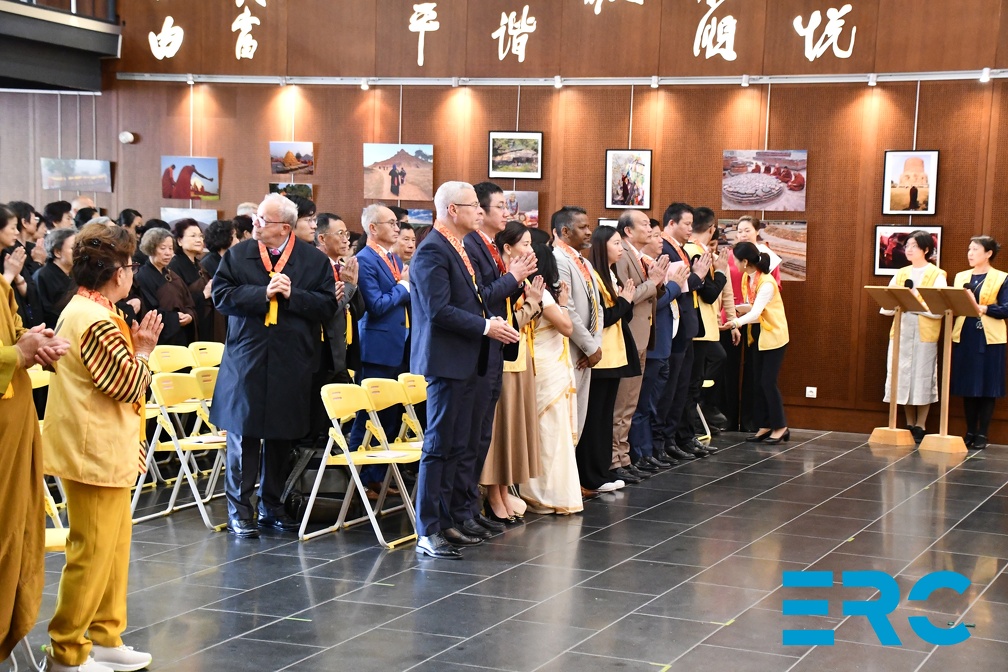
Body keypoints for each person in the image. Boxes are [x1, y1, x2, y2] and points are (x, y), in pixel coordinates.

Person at [42, 222, 161, 672]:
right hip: (93, 450)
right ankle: (67, 652)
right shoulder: (94, 319)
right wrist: (144, 350)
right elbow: (128, 384)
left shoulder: (91, 309)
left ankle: (105, 636)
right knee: (91, 554)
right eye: (130, 266)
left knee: (111, 549)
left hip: (102, 445)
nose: (132, 273)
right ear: (116, 274)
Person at [210, 193, 337, 538]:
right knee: (244, 436)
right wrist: (261, 293)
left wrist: (294, 294)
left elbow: (327, 306)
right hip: (246, 357)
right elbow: (220, 297)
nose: (255, 224)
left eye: (263, 220)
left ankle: (272, 506)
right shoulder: (239, 255)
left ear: (284, 227)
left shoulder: (313, 260)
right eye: (256, 218)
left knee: (282, 436)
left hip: (291, 358)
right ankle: (239, 511)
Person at [410, 181, 520, 559]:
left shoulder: (457, 246)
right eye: (473, 205)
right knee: (439, 446)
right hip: (446, 360)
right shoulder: (433, 250)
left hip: (467, 357)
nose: (480, 211)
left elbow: (471, 300)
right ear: (452, 210)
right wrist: (486, 326)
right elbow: (438, 310)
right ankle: (427, 530)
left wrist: (489, 322)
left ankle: (451, 518)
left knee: (460, 444)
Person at [0, 205, 69, 665]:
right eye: (10, 226)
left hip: (14, 416)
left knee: (17, 524)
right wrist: (18, 353)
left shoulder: (2, 288)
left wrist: (33, 342)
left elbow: (12, 335)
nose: (18, 234)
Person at [460, 185, 535, 537]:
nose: (507, 213)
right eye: (500, 206)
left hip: (493, 350)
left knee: (480, 438)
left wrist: (518, 282)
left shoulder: (487, 245)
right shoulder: (471, 245)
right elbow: (481, 298)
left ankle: (470, 511)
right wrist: (513, 278)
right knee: (467, 439)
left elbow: (496, 294)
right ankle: (465, 511)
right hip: (476, 350)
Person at [347, 204, 411, 494]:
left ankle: (376, 477)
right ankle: (357, 479)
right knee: (368, 414)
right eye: (391, 223)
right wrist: (404, 287)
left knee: (389, 415)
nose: (397, 228)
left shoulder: (391, 258)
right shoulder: (364, 260)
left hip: (398, 343)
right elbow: (375, 305)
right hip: (376, 346)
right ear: (373, 228)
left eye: (397, 223)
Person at [577, 225, 638, 492]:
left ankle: (602, 472)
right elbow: (602, 318)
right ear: (602, 247)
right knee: (594, 418)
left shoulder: (612, 275)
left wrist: (626, 301)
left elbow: (623, 314)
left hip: (616, 355)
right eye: (615, 243)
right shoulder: (595, 276)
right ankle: (591, 475)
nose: (621, 248)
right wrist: (625, 301)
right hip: (601, 357)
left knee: (605, 417)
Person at [521, 245, 581, 514]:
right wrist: (564, 304)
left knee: (547, 430)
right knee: (549, 431)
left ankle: (544, 493)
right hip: (547, 367)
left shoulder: (529, 291)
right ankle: (547, 494)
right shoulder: (541, 294)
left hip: (544, 363)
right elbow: (567, 327)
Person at [611, 210, 669, 484]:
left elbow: (648, 292)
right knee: (622, 404)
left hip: (642, 337)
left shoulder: (639, 256)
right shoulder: (622, 255)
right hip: (630, 336)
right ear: (628, 231)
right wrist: (653, 282)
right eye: (644, 224)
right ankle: (616, 459)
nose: (650, 228)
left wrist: (658, 282)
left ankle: (625, 457)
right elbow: (628, 297)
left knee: (631, 404)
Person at [629, 219, 687, 474]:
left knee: (655, 403)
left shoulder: (654, 265)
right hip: (651, 345)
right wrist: (673, 286)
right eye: (653, 235)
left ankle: (650, 450)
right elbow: (652, 305)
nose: (659, 240)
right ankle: (641, 452)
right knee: (643, 405)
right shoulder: (642, 267)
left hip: (664, 345)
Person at [655, 203, 711, 461]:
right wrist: (698, 277)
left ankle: (674, 438)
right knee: (672, 389)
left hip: (686, 325)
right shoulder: (665, 249)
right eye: (687, 224)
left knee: (682, 387)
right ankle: (664, 441)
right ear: (671, 223)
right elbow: (675, 287)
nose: (691, 229)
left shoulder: (680, 248)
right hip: (674, 328)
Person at [880, 230, 947, 443]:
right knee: (902, 376)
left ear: (926, 249)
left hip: (924, 333)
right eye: (907, 245)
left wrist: (914, 305)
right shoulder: (901, 273)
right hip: (901, 331)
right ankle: (909, 422)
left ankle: (921, 424)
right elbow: (887, 305)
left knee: (922, 377)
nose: (908, 249)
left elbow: (940, 309)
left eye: (914, 246)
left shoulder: (937, 274)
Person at [724, 242, 790, 444]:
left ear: (745, 262)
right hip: (758, 334)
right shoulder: (748, 277)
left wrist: (734, 322)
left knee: (768, 382)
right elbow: (753, 307)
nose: (734, 264)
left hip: (773, 336)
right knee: (758, 383)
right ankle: (765, 425)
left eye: (736, 260)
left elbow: (755, 312)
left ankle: (780, 426)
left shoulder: (767, 283)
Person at [951, 236, 1008, 450]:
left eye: (975, 249)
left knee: (987, 384)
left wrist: (982, 308)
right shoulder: (961, 277)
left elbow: (1006, 308)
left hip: (990, 337)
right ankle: (969, 431)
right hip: (965, 333)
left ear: (988, 253)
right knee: (968, 384)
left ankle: (983, 433)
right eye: (969, 249)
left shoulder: (1002, 277)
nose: (970, 253)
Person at [552, 206, 602, 439]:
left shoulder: (585, 262)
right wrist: (589, 346)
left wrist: (595, 345)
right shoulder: (558, 258)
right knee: (567, 417)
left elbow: (597, 306)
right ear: (565, 231)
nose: (589, 232)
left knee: (578, 416)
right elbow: (567, 308)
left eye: (588, 226)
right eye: (583, 227)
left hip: (586, 348)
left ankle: (572, 462)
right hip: (570, 347)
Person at [683, 208, 733, 437]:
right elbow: (709, 294)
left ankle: (691, 429)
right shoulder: (695, 252)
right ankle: (690, 430)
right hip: (698, 327)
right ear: (712, 229)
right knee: (691, 385)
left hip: (702, 326)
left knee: (693, 383)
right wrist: (720, 272)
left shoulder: (696, 249)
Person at [133, 228, 196, 345]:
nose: (168, 253)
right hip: (159, 338)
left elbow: (188, 302)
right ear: (151, 248)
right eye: (162, 248)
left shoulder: (173, 275)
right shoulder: (142, 276)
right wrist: (174, 317)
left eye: (170, 248)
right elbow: (148, 309)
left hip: (180, 334)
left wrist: (189, 315)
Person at [168, 219, 214, 341]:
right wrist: (204, 294)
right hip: (188, 328)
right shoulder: (174, 266)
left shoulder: (199, 264)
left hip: (205, 322)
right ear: (179, 241)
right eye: (193, 236)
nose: (199, 240)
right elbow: (178, 300)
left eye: (200, 236)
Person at [33, 228, 77, 327]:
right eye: (73, 248)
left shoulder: (75, 273)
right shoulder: (43, 275)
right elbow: (45, 312)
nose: (78, 252)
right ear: (57, 252)